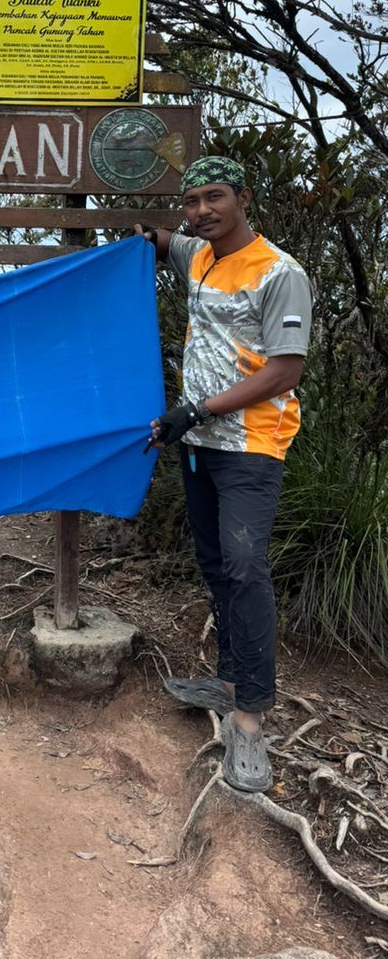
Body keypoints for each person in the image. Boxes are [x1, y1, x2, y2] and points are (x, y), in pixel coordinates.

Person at [139, 156, 312, 792]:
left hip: (250, 445)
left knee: (244, 567)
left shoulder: (280, 272)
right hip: (199, 445)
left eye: (214, 197)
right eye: (191, 201)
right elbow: (162, 241)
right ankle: (229, 680)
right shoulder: (198, 253)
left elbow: (284, 371)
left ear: (243, 197)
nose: (202, 210)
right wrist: (144, 239)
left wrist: (196, 410)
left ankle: (249, 720)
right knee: (215, 563)